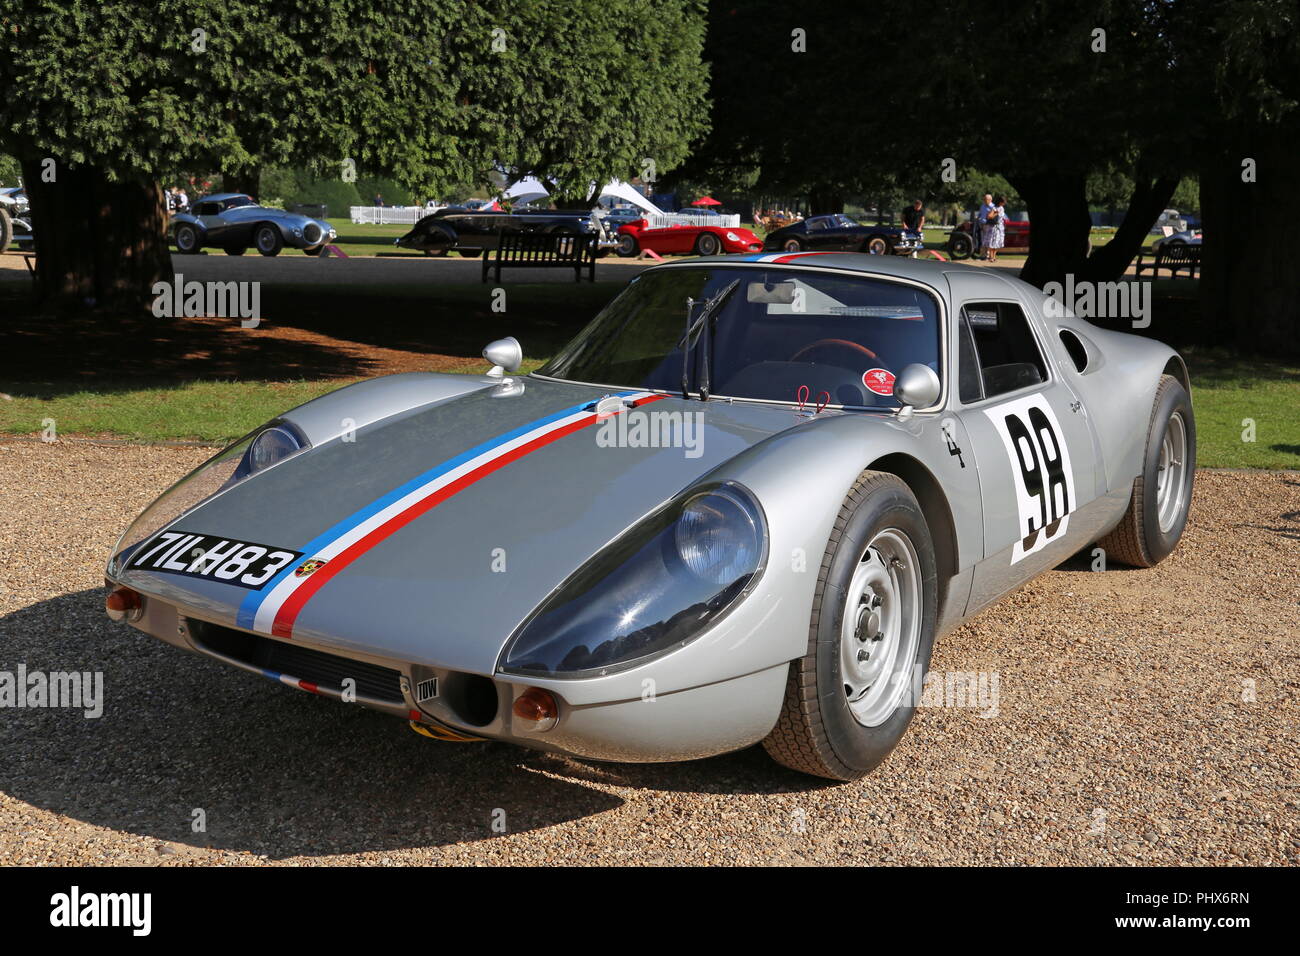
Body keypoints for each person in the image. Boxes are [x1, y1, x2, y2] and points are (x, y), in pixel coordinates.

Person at [985, 194, 1007, 263]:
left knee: (998, 243)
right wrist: (996, 213)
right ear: (1000, 202)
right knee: (993, 242)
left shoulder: (1002, 208)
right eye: (1003, 202)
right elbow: (989, 216)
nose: (1004, 203)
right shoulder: (995, 208)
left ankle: (994, 257)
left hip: (1000, 227)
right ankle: (991, 257)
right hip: (995, 227)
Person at [975, 193, 993, 259]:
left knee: (988, 240)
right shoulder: (982, 206)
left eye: (986, 199)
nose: (985, 200)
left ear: (990, 200)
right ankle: (983, 255)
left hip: (989, 226)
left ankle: (988, 255)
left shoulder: (993, 206)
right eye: (984, 199)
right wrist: (977, 217)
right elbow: (980, 214)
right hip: (982, 225)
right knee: (983, 240)